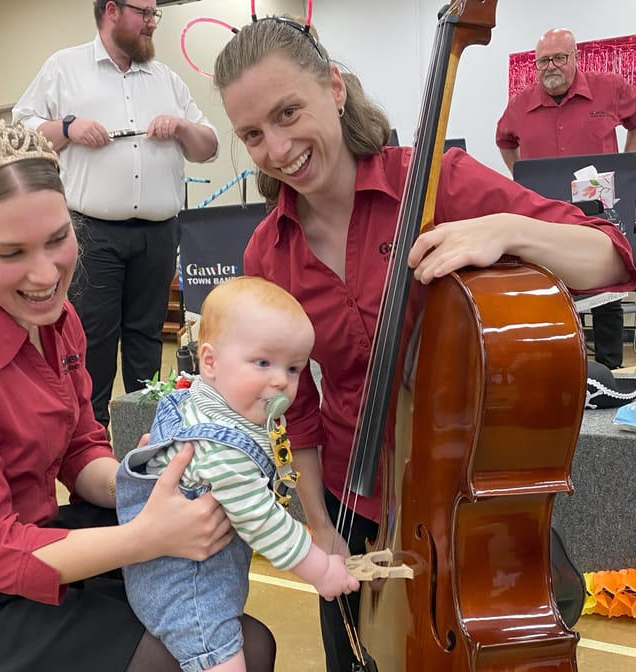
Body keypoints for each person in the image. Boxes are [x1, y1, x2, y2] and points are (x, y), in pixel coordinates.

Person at [212, 17, 636, 672]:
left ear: (334, 87)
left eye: (288, 111)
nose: (277, 147)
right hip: (357, 509)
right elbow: (291, 409)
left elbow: (610, 257)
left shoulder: (442, 183)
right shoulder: (267, 251)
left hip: (465, 516)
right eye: (252, 134)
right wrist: (319, 529)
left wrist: (505, 230)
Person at [0, 113, 274, 672]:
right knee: (185, 656)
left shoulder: (59, 322)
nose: (45, 274)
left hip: (41, 540)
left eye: (59, 239)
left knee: (242, 636)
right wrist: (150, 536)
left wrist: (149, 475)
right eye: (11, 254)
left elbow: (79, 448)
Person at [116, 276, 360, 672]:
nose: (281, 380)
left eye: (295, 368)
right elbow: (261, 520)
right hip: (189, 593)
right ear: (210, 361)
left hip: (175, 572)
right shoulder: (222, 447)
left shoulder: (201, 398)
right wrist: (321, 569)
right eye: (263, 363)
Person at [13, 0, 219, 430]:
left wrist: (181, 128)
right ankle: (89, 445)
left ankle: (143, 441)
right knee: (94, 341)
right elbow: (21, 129)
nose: (151, 23)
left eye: (154, 14)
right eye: (144, 13)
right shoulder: (64, 68)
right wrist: (67, 129)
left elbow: (208, 146)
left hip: (160, 234)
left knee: (146, 341)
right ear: (111, 10)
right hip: (92, 234)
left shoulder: (166, 79)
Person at [496, 27, 636, 369]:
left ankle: (610, 371)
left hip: (599, 205)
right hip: (543, 208)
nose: (550, 66)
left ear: (575, 58)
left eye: (559, 57)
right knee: (549, 284)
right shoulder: (520, 104)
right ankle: (562, 368)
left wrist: (628, 165)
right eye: (543, 60)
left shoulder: (610, 88)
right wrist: (523, 178)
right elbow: (504, 141)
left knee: (604, 284)